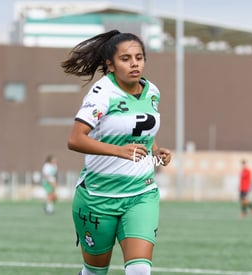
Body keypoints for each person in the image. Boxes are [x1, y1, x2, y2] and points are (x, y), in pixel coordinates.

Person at [62, 29, 171, 275]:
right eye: (126, 59)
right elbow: (75, 139)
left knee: (140, 270)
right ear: (110, 65)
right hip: (98, 197)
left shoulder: (152, 91)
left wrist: (156, 153)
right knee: (94, 272)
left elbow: (143, 134)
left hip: (141, 194)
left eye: (139, 57)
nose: (134, 63)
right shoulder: (102, 94)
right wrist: (118, 151)